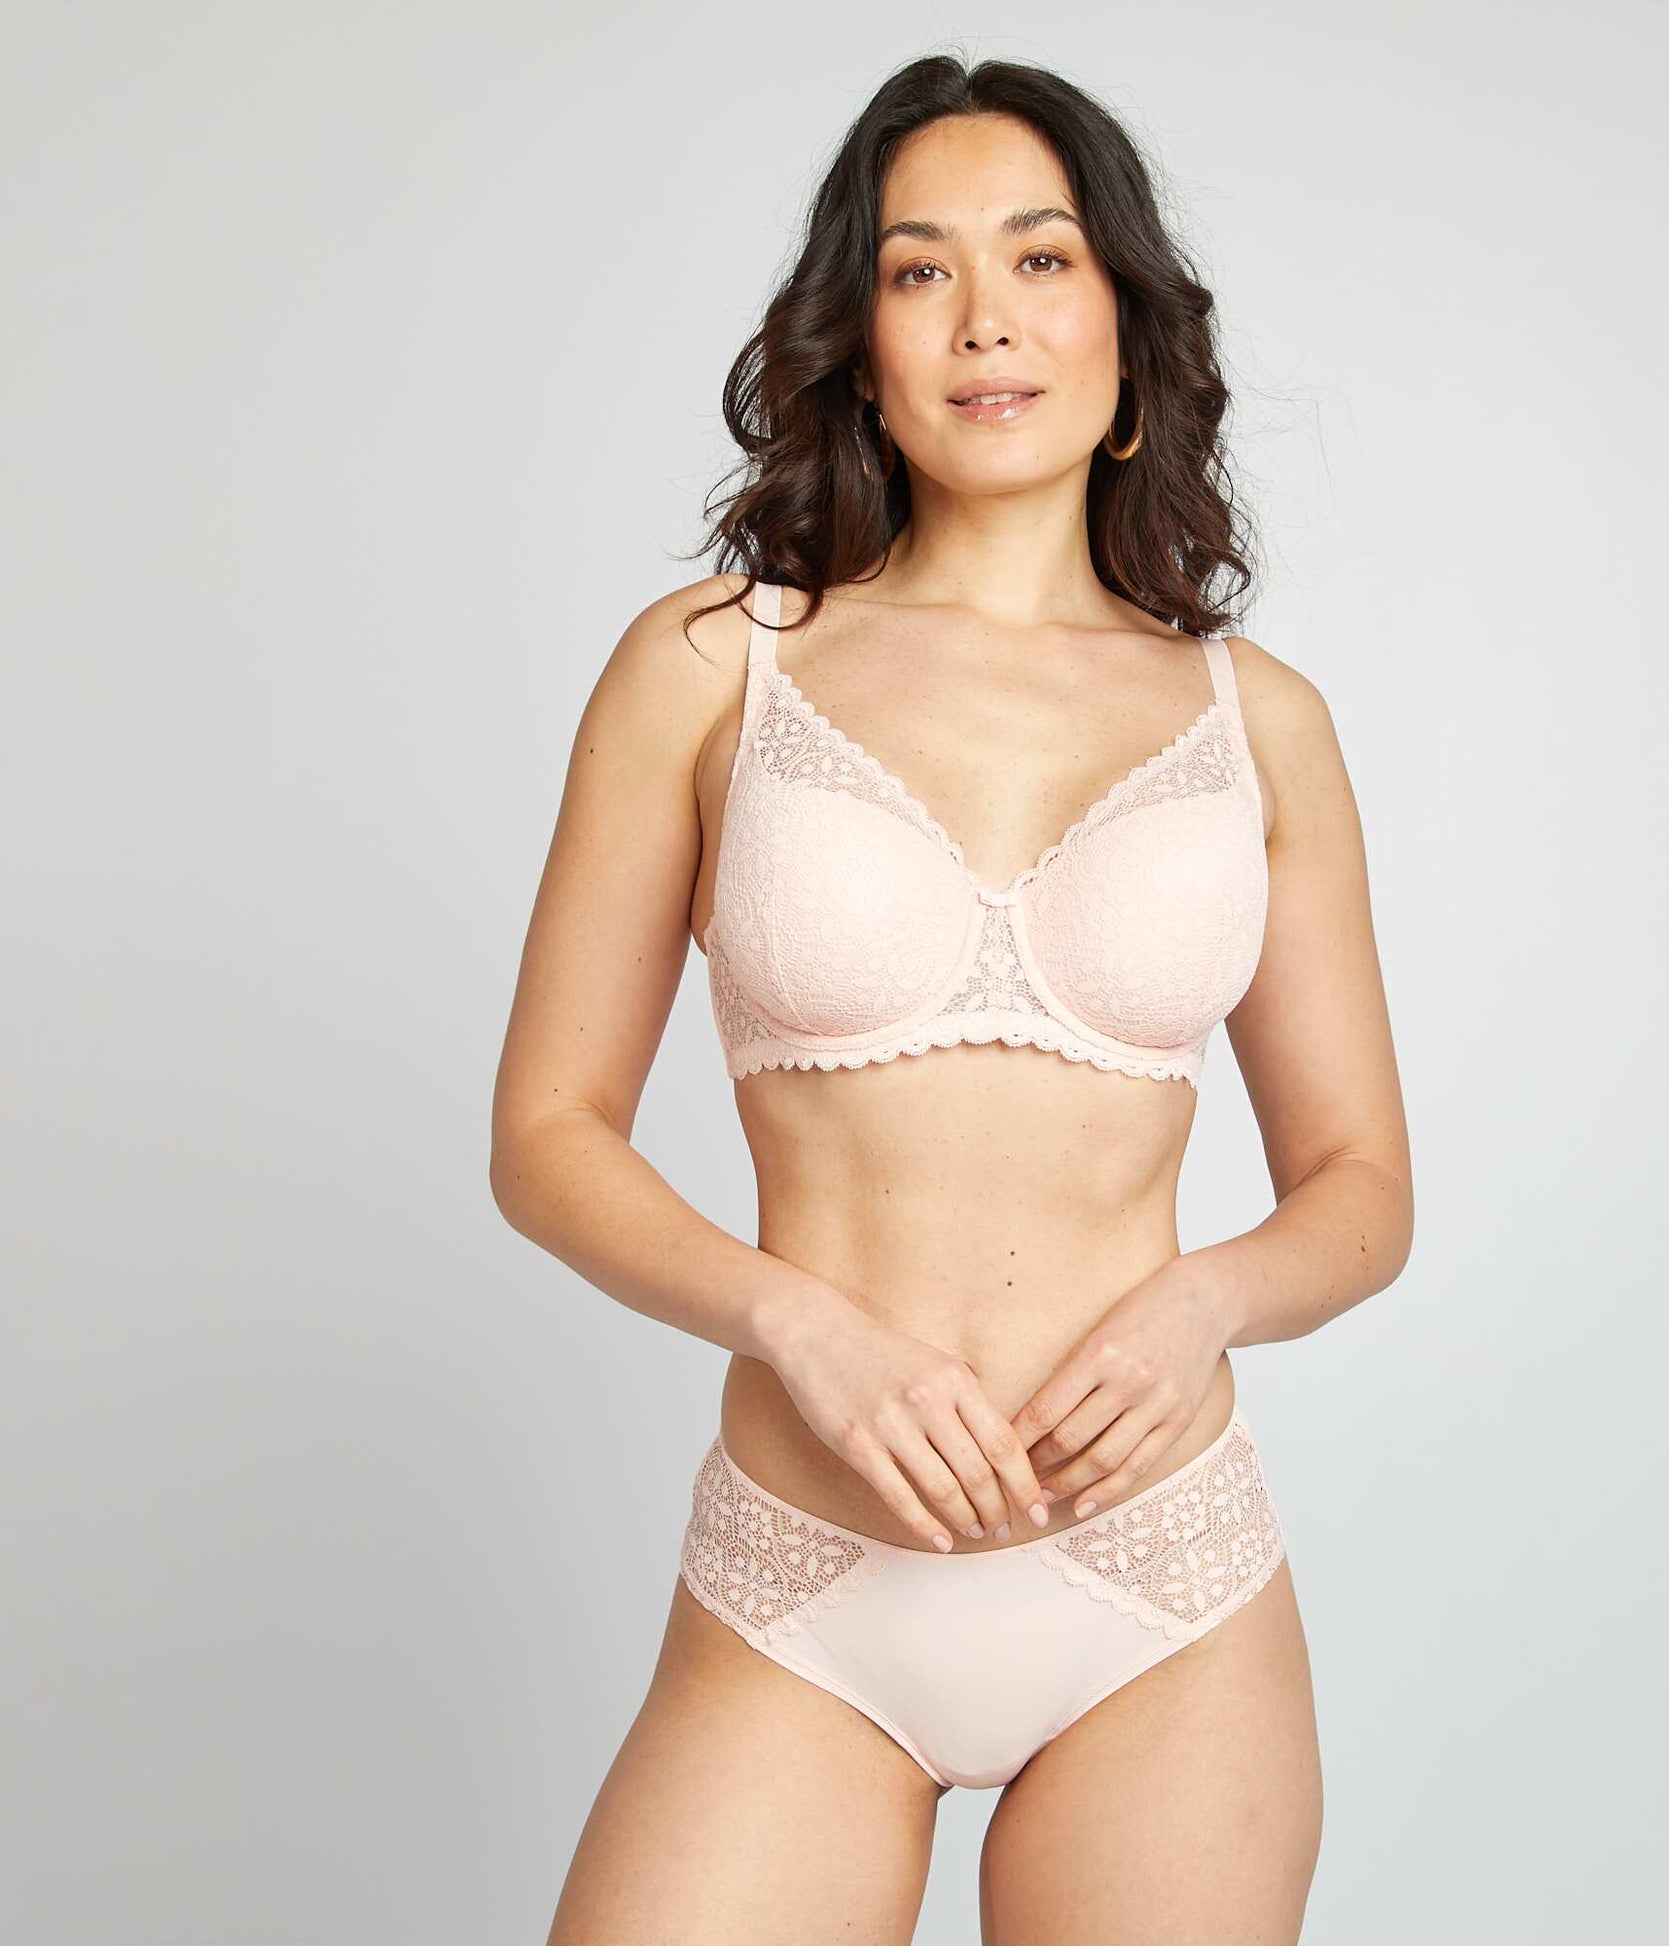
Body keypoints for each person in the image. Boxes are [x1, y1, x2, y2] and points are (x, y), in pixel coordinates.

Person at [490, 52, 1412, 1946]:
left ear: (1126, 329)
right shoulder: (711, 668)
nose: (984, 316)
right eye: (919, 270)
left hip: (1161, 1586)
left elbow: (1362, 1186)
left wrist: (1206, 1301)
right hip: (802, 1579)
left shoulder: (1261, 723)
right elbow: (545, 1134)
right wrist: (797, 1326)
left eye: (1040, 257)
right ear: (862, 347)